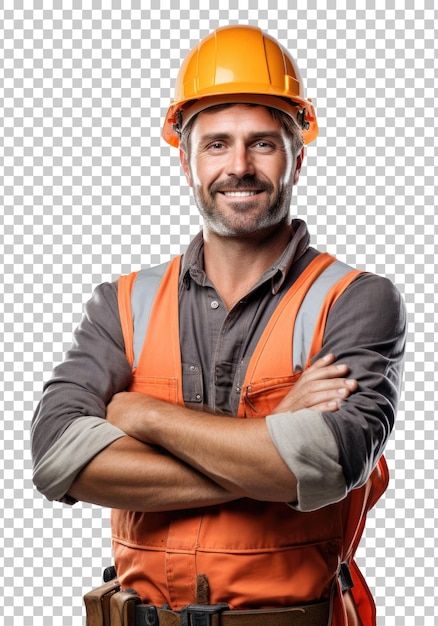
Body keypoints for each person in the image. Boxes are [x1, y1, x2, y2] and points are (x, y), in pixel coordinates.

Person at [31, 25, 407, 626]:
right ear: (184, 161)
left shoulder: (355, 301)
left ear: (297, 157)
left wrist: (142, 417)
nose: (239, 166)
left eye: (263, 143)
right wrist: (270, 442)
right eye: (216, 145)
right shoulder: (122, 303)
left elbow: (328, 466)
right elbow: (57, 459)